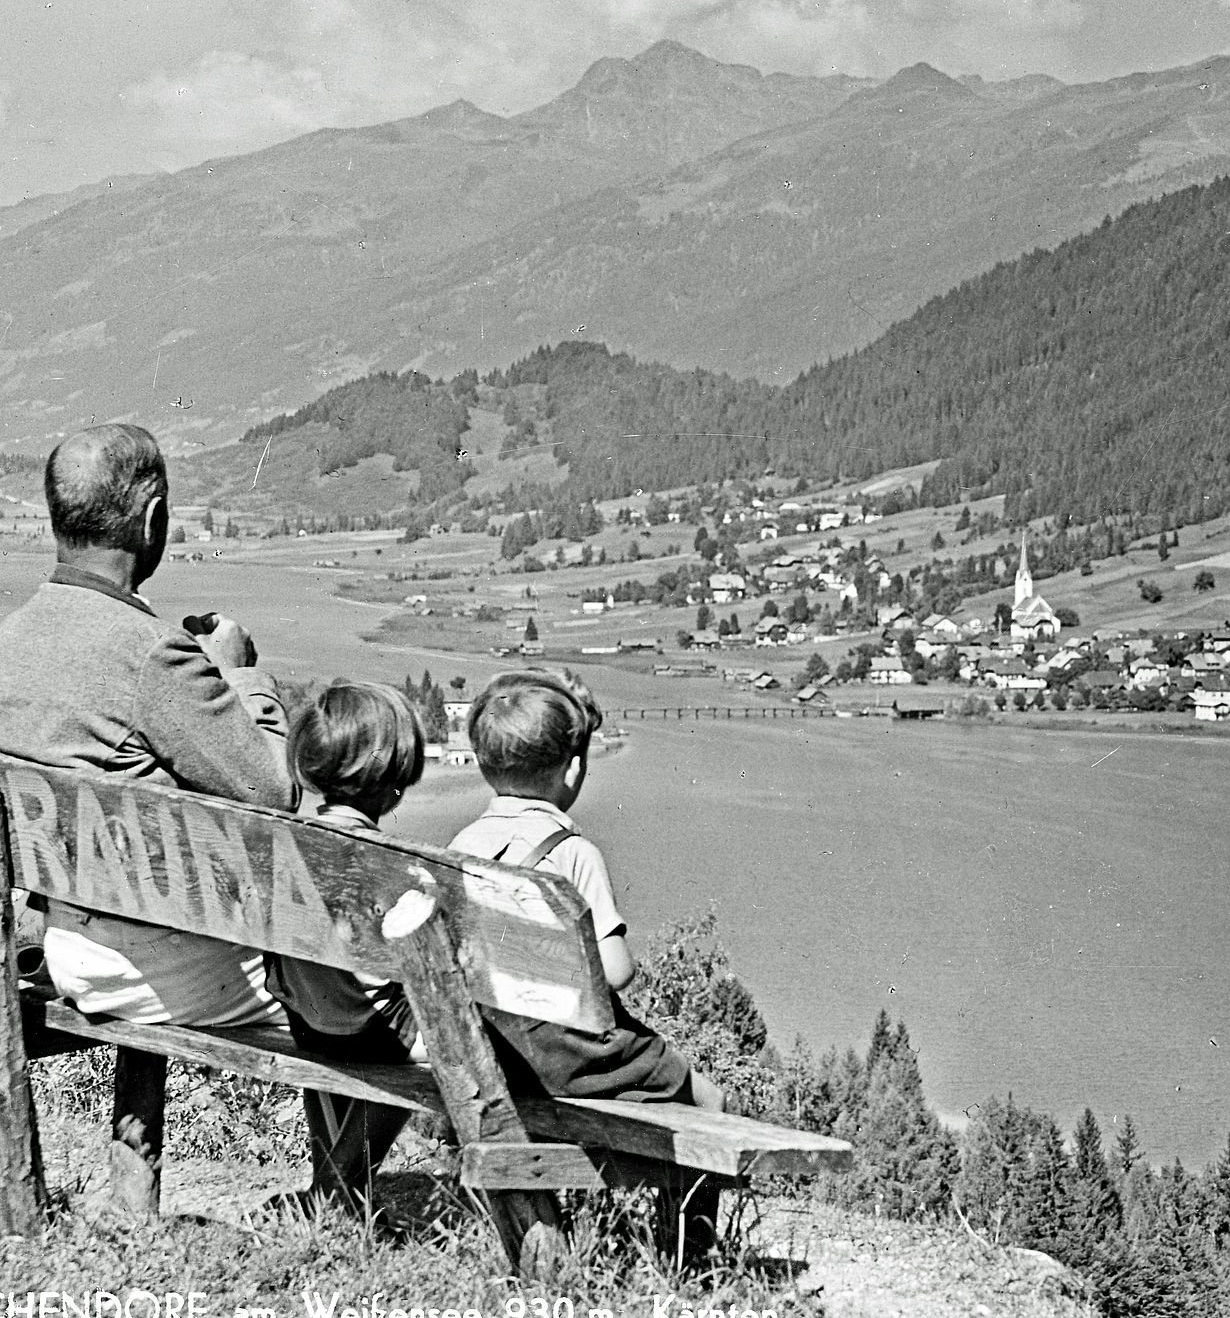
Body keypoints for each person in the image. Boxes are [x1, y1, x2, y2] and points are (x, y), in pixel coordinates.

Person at [0, 423, 297, 1026]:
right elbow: (274, 792)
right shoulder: (154, 653)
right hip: (167, 969)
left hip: (66, 947)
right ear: (153, 519)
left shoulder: (12, 639)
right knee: (360, 997)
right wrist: (239, 676)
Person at [447, 667, 723, 1108]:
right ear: (573, 770)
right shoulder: (574, 854)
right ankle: (694, 1180)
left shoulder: (461, 845)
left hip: (494, 1044)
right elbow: (616, 973)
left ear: (483, 764)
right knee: (708, 1100)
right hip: (569, 1057)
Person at [260, 680, 426, 1209]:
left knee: (339, 997)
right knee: (438, 1037)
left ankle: (332, 1185)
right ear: (394, 782)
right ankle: (336, 1189)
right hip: (376, 1033)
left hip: (309, 1019)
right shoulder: (391, 863)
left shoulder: (282, 844)